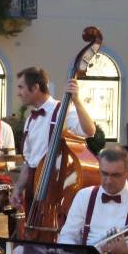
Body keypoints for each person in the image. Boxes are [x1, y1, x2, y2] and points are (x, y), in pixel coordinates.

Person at [9, 67, 96, 210]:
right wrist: (18, 188)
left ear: (35, 87)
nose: (18, 93)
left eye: (21, 87)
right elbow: (29, 162)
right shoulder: (30, 119)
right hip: (33, 185)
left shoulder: (64, 110)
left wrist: (77, 101)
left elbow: (89, 130)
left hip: (55, 185)